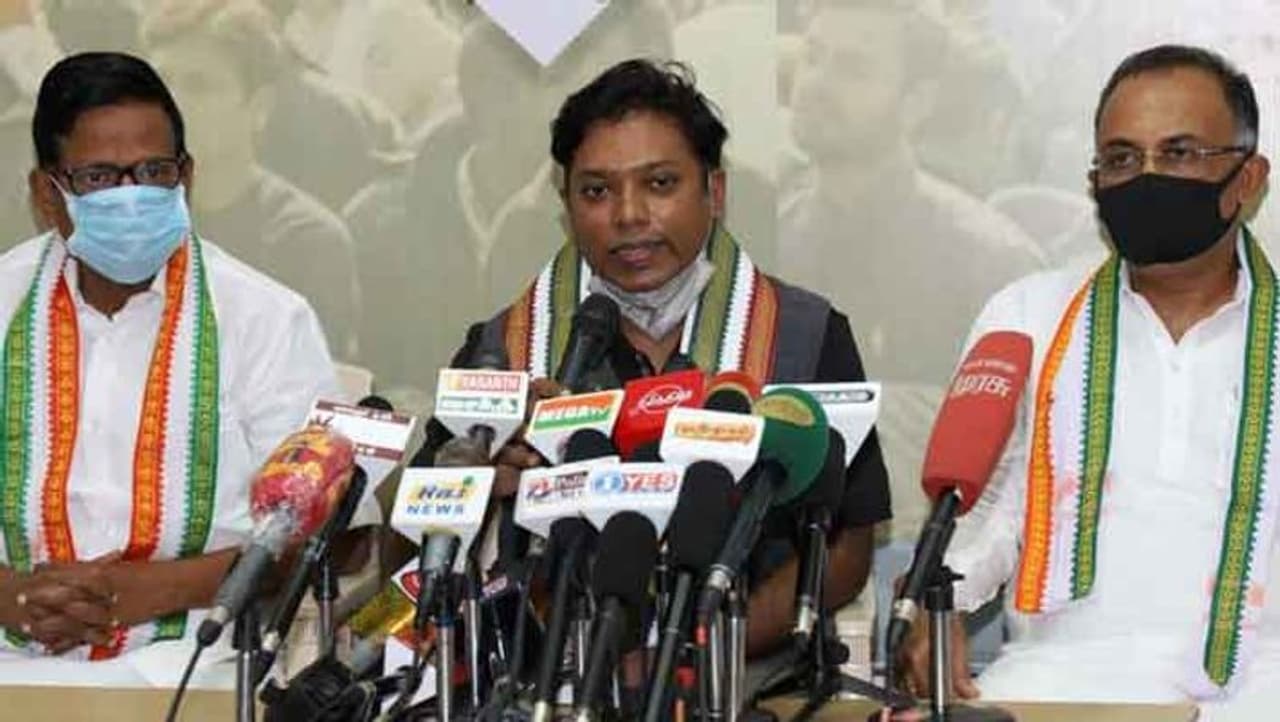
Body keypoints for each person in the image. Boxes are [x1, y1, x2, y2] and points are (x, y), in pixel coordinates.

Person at [418, 58, 892, 660]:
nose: (628, 215)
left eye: (660, 184)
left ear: (714, 192)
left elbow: (848, 547)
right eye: (597, 191)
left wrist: (686, 655)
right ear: (567, 205)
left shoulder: (803, 335)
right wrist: (479, 487)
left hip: (742, 671)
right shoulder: (502, 353)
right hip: (547, 676)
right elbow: (405, 551)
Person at [896, 45, 1280, 721]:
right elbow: (984, 505)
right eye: (1122, 159)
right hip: (1061, 676)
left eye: (1179, 153)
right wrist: (938, 597)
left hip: (1262, 681)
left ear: (1247, 178)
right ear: (1095, 181)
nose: (1147, 177)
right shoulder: (1028, 314)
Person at [0, 51, 348, 686]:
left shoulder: (266, 318)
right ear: (47, 194)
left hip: (194, 662)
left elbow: (325, 536)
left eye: (154, 172)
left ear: (186, 178)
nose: (132, 196)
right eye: (100, 178)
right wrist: (12, 596)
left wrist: (145, 591)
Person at [142, 0, 363, 361]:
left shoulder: (306, 244)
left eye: (200, 86)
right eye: (161, 85)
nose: (172, 105)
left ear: (259, 107)